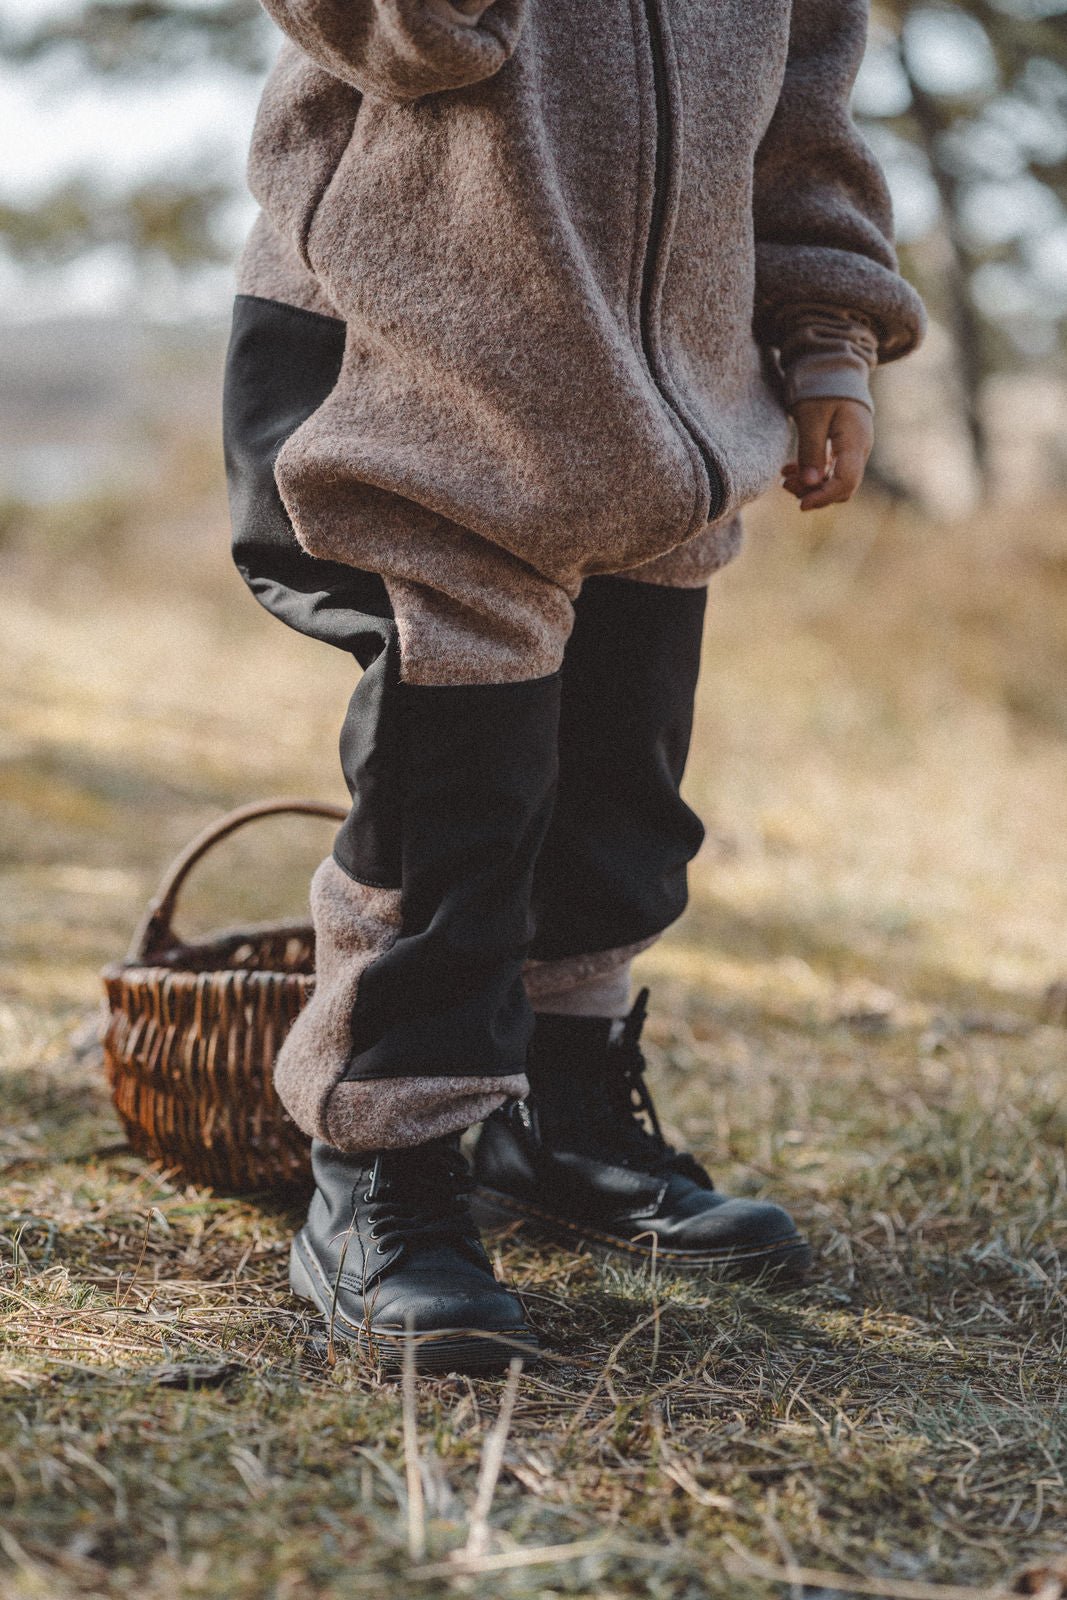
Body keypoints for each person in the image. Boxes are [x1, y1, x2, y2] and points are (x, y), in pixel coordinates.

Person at [223, 0, 926, 1373]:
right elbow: (398, 37)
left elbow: (805, 109)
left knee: (619, 785)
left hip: (674, 396)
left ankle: (556, 1116)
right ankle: (386, 1160)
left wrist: (826, 326)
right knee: (458, 792)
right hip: (416, 362)